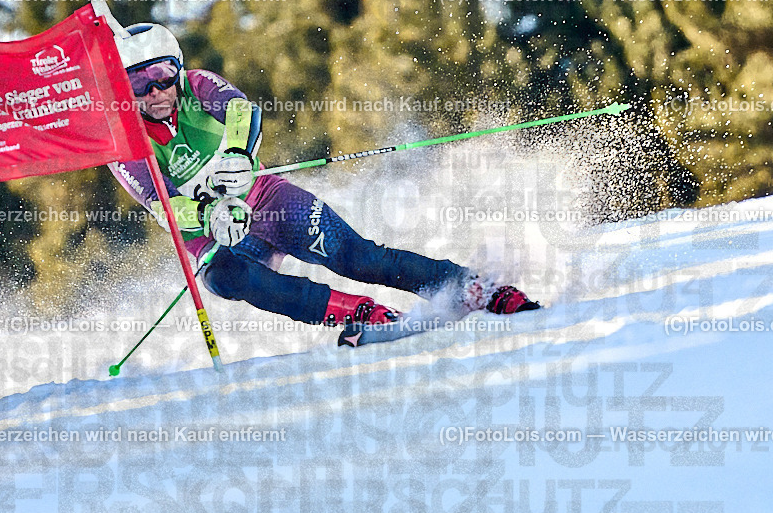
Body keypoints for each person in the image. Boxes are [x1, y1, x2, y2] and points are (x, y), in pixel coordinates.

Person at [108, 23, 539, 346]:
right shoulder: (123, 140)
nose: (155, 91)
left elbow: (243, 111)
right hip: (213, 234)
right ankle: (359, 313)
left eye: (162, 75)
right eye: (138, 84)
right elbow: (161, 205)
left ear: (179, 68)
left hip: (265, 200)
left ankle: (472, 288)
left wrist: (238, 154)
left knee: (356, 256)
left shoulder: (198, 86)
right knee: (225, 280)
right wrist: (209, 214)